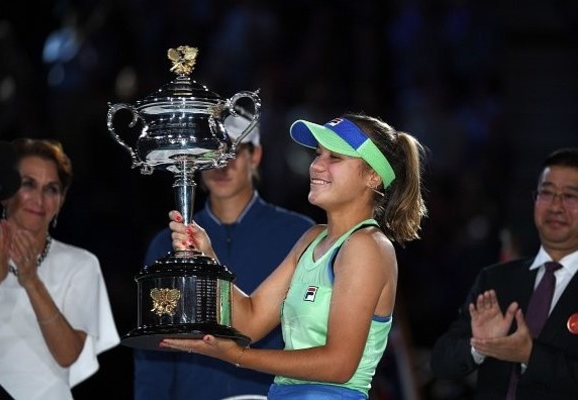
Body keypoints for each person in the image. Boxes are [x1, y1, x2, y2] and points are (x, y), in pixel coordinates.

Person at [161, 113, 428, 399]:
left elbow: (339, 365)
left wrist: (237, 355)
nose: (316, 166)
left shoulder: (368, 246)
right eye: (318, 154)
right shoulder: (312, 238)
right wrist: (208, 258)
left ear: (373, 175)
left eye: (334, 158)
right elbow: (249, 320)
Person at [133, 114, 315, 399]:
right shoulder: (168, 243)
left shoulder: (299, 235)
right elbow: (156, 348)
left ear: (255, 155)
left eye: (232, 151)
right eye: (211, 153)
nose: (221, 164)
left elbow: (316, 337)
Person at [430, 147, 578, 399]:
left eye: (570, 196)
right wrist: (479, 346)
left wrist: (529, 355)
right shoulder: (496, 279)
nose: (555, 206)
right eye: (547, 192)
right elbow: (442, 362)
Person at [0, 138, 120, 400]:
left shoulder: (81, 264)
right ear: (5, 193)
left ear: (61, 201)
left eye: (51, 189)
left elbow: (68, 354)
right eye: (28, 184)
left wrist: (31, 281)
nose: (39, 199)